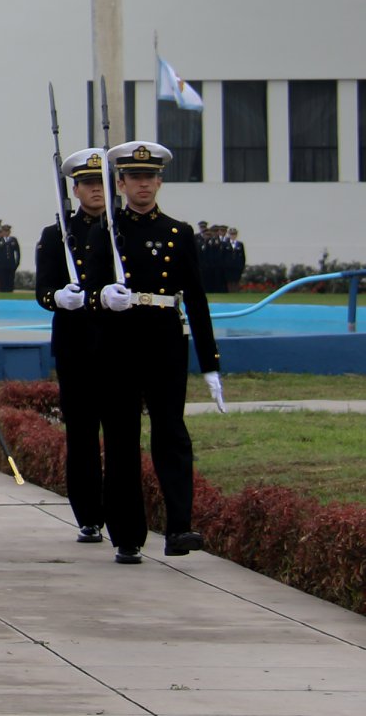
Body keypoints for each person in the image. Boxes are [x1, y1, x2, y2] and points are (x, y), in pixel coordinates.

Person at [99, 141, 220, 563]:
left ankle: (179, 527)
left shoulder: (178, 233)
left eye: (150, 177)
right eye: (135, 178)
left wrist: (210, 364)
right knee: (121, 439)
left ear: (160, 181)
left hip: (165, 338)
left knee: (171, 434)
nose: (143, 185)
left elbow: (198, 300)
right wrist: (101, 297)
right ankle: (128, 534)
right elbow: (86, 288)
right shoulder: (106, 231)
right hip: (120, 341)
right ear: (121, 182)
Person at [32, 147, 111, 545]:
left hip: (116, 345)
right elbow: (42, 290)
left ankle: (118, 509)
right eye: (89, 184)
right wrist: (58, 298)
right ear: (75, 190)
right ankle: (88, 514)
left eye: (103, 183)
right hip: (76, 345)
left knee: (119, 433)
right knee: (81, 435)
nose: (97, 190)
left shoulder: (120, 233)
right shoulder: (58, 235)